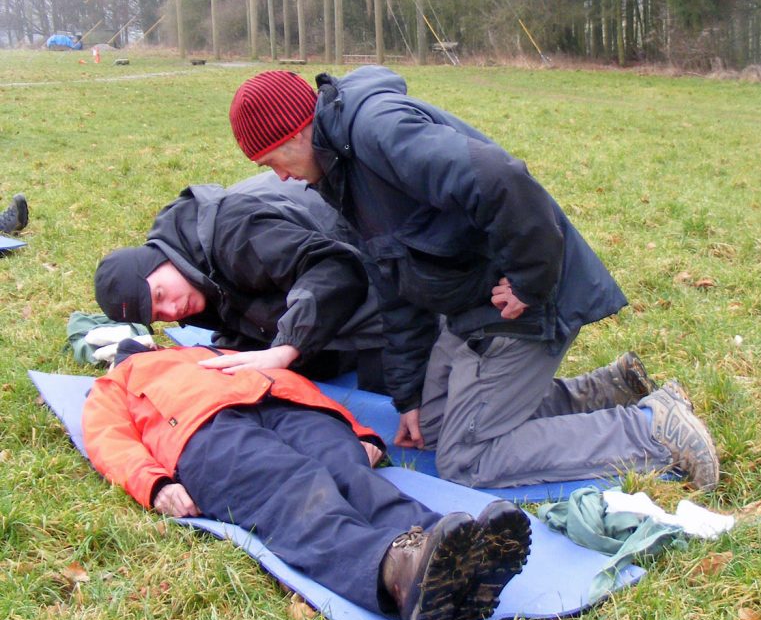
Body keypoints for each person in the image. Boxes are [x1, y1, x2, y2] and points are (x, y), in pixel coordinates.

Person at [228, 67, 720, 492]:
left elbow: (500, 178)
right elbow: (391, 283)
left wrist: (529, 281)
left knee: (468, 459)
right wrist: (408, 397)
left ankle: (654, 431)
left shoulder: (377, 131)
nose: (281, 179)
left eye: (272, 162)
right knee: (437, 425)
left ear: (296, 133)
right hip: (471, 305)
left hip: (524, 297)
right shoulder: (337, 173)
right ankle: (605, 390)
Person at [81, 341, 532, 620]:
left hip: (280, 405)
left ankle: (464, 550)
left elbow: (295, 383)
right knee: (296, 489)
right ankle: (399, 572)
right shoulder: (117, 381)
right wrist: (155, 483)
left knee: (349, 471)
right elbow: (107, 437)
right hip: (203, 434)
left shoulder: (204, 349)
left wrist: (359, 432)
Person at [93, 172, 385, 389]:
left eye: (159, 295)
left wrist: (287, 348)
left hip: (379, 272)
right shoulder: (191, 276)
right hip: (332, 291)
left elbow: (336, 268)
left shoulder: (233, 235)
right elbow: (246, 314)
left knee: (395, 395)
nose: (171, 311)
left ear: (161, 259)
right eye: (158, 315)